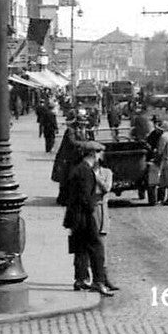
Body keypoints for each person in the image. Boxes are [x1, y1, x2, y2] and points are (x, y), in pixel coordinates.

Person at [63, 141, 115, 296]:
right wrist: (91, 210)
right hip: (84, 216)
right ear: (93, 154)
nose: (100, 156)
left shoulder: (77, 169)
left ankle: (80, 280)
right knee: (97, 247)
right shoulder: (86, 171)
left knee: (80, 248)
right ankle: (98, 282)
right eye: (99, 153)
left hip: (75, 215)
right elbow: (85, 196)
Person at [53, 118, 82, 206]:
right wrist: (84, 144)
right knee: (66, 179)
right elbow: (72, 142)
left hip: (72, 157)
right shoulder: (71, 130)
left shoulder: (80, 130)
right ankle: (63, 199)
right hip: (66, 158)